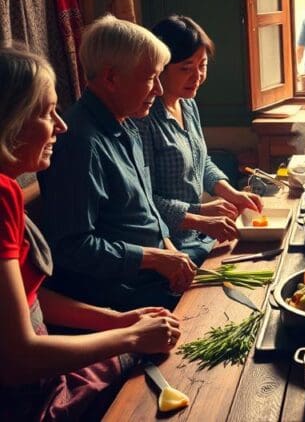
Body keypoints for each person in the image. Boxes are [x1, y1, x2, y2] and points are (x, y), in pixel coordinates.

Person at [0, 45, 181, 421]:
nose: (60, 125)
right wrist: (131, 337)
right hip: (25, 398)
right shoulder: (6, 192)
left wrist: (117, 321)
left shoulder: (9, 188)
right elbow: (18, 360)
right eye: (47, 113)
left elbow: (27, 300)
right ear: (9, 121)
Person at [38, 15, 197, 311]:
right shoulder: (80, 144)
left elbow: (145, 209)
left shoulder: (127, 124)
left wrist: (168, 248)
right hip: (120, 299)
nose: (159, 90)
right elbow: (72, 248)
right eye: (150, 78)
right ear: (111, 78)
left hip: (154, 280)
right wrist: (153, 258)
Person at [135, 15, 263, 265]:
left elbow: (201, 161)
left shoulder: (188, 105)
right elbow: (145, 199)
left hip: (199, 234)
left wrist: (232, 193)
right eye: (186, 68)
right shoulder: (144, 118)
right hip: (169, 246)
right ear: (160, 67)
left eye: (202, 65)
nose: (197, 76)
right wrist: (201, 211)